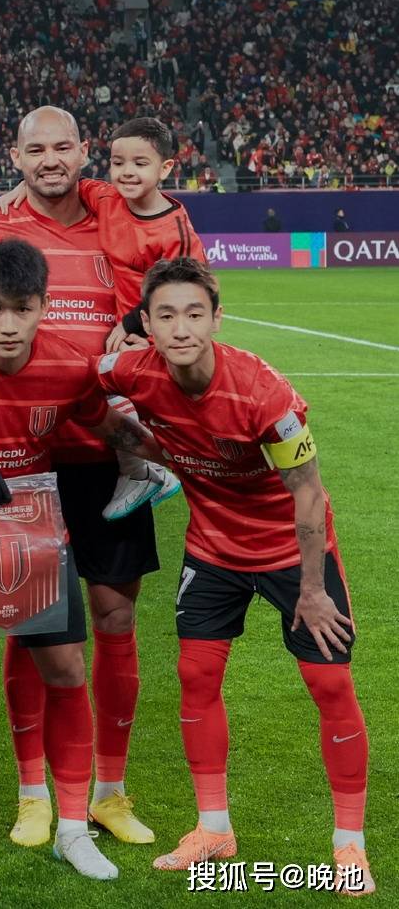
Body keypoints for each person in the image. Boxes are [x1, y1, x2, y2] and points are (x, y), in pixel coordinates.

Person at [99, 258, 373, 895]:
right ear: (146, 326)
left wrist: (312, 590)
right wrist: (135, 442)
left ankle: (349, 844)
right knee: (196, 676)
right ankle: (214, 829)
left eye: (195, 314)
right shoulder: (130, 371)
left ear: (217, 319)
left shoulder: (264, 394)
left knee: (329, 683)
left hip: (291, 554)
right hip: (213, 549)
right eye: (166, 316)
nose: (182, 328)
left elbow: (309, 494)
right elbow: (84, 382)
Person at [0, 239, 159, 884]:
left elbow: (111, 426)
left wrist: (171, 451)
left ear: (44, 305)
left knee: (66, 669)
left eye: (22, 308)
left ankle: (72, 830)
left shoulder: (69, 365)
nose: (9, 324)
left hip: (35, 531)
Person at [0, 107, 169, 846]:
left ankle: (109, 791)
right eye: (35, 148)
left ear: (84, 153)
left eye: (62, 147)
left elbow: (174, 284)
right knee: (30, 624)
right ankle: (32, 794)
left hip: (107, 454)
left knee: (114, 619)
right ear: (14, 156)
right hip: (24, 459)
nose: (49, 159)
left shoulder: (118, 219)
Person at [0, 116, 208, 349]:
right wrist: (24, 185)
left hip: (161, 340)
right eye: (118, 163)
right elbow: (60, 180)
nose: (127, 172)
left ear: (165, 168)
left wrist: (131, 325)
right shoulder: (106, 198)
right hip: (125, 338)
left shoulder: (175, 233)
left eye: (140, 164)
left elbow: (185, 292)